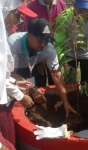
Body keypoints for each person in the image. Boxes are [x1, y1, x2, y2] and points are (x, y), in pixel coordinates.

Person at [8, 18, 77, 117]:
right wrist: (32, 89)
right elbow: (10, 74)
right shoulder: (13, 43)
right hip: (15, 70)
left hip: (34, 66)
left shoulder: (49, 48)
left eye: (47, 40)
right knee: (16, 98)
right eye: (40, 40)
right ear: (29, 36)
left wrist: (66, 102)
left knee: (39, 94)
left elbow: (57, 75)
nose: (44, 44)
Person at [0, 0, 38, 147]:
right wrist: (20, 96)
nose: (19, 20)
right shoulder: (11, 41)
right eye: (17, 14)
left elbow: (2, 76)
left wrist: (14, 82)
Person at [54, 0, 88, 83]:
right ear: (74, 5)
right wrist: (64, 61)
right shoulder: (64, 17)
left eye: (87, 11)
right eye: (80, 10)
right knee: (70, 81)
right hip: (69, 54)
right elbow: (59, 41)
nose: (83, 14)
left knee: (87, 82)